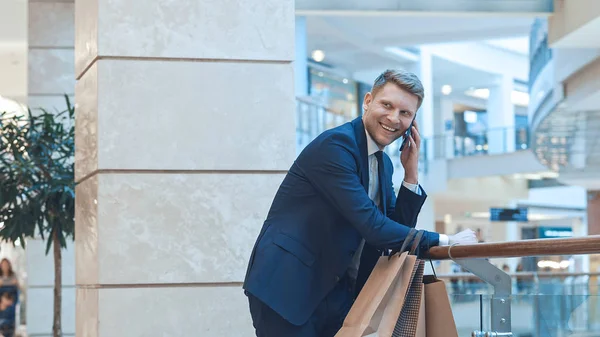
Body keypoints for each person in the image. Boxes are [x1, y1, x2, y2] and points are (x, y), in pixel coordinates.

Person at [242, 69, 478, 337]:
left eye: (405, 113)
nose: (393, 118)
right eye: (386, 105)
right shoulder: (335, 147)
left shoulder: (384, 162)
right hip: (288, 286)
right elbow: (374, 227)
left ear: (413, 123)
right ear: (367, 101)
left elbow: (392, 231)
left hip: (337, 293)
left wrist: (411, 175)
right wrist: (447, 241)